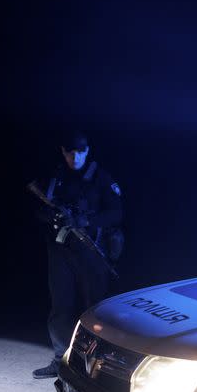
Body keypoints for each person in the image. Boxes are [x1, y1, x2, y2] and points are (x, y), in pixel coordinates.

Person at [33, 131, 123, 378]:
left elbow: (116, 213)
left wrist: (86, 220)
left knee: (94, 309)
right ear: (63, 151)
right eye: (70, 151)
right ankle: (60, 359)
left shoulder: (100, 178)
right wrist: (51, 216)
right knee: (60, 306)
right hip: (61, 251)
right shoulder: (56, 176)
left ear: (87, 150)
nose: (76, 156)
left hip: (92, 251)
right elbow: (39, 209)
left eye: (80, 151)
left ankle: (97, 365)